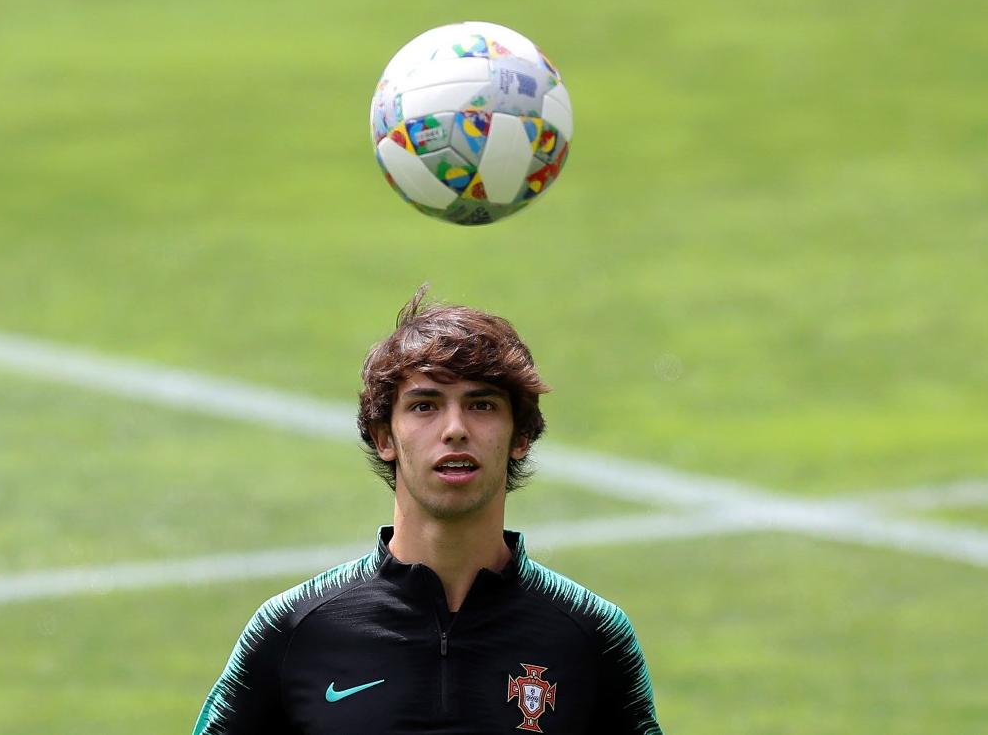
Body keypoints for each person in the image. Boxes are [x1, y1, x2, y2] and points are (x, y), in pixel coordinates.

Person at [192, 287, 663, 734]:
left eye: (481, 405)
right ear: (384, 438)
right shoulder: (294, 629)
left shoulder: (591, 633)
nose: (455, 429)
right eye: (425, 407)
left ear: (520, 437)